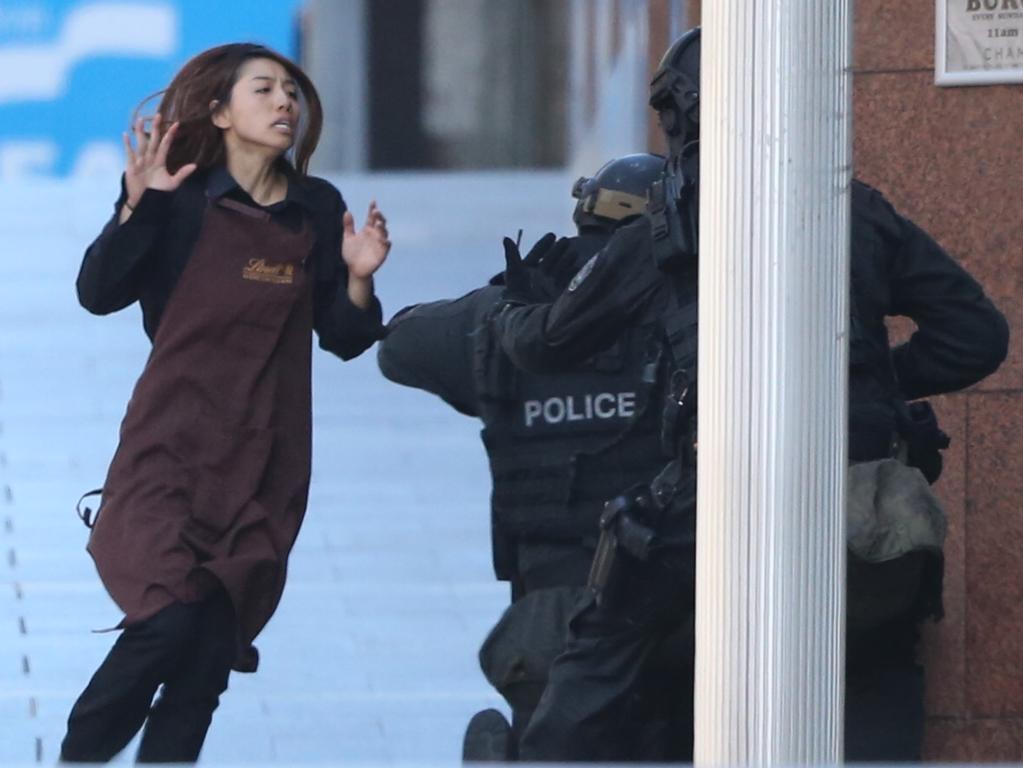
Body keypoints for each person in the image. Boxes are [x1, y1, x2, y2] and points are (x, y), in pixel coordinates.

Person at [490, 27, 1009, 762]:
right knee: (875, 658)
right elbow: (974, 336)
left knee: (600, 646)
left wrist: (516, 307)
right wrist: (863, 388)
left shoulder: (665, 230)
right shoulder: (856, 209)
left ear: (687, 114)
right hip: (862, 483)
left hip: (717, 488)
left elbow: (543, 344)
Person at [61, 43, 390, 764]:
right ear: (220, 111)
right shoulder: (176, 195)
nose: (285, 104)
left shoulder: (316, 208)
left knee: (205, 661)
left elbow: (342, 336)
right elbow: (97, 293)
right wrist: (134, 206)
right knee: (168, 617)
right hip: (168, 451)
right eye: (265, 91)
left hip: (264, 463)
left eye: (292, 94)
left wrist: (360, 278)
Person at [376, 153, 692, 760]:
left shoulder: (517, 310)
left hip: (549, 620)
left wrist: (501, 309)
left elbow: (399, 346)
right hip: (679, 609)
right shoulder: (694, 310)